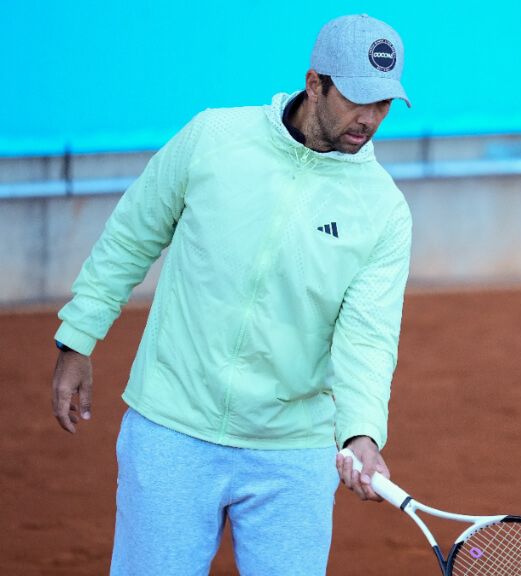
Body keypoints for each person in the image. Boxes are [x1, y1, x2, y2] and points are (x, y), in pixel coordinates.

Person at [50, 14, 413, 575]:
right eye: (357, 98)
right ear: (315, 82)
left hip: (291, 454)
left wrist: (362, 433)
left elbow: (368, 336)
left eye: (384, 104)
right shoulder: (214, 137)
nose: (369, 118)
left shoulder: (384, 211)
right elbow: (132, 233)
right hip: (172, 428)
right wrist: (78, 337)